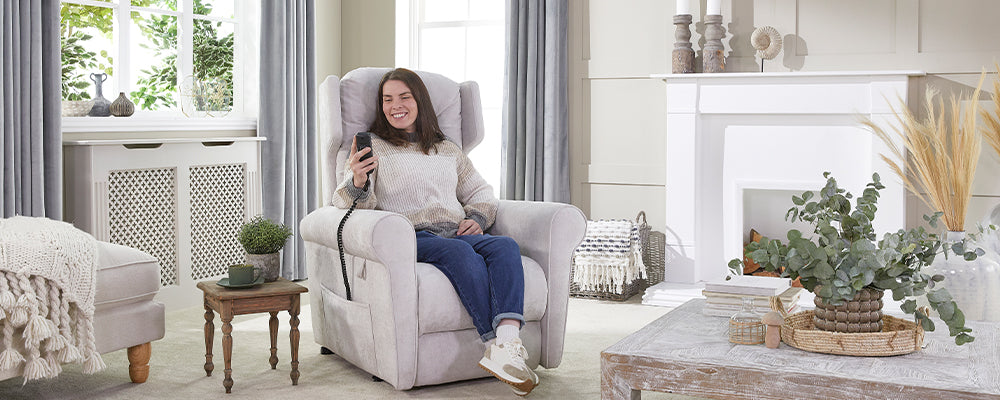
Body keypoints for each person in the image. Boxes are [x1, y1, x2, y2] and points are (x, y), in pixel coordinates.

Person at [332, 68, 538, 395]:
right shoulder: (371, 146)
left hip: (455, 230)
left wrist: (477, 219)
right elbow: (351, 202)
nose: (395, 105)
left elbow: (482, 193)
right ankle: (494, 341)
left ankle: (508, 346)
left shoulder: (447, 149)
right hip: (411, 234)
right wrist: (356, 179)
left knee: (506, 247)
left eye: (404, 97)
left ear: (420, 102)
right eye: (387, 100)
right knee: (460, 252)